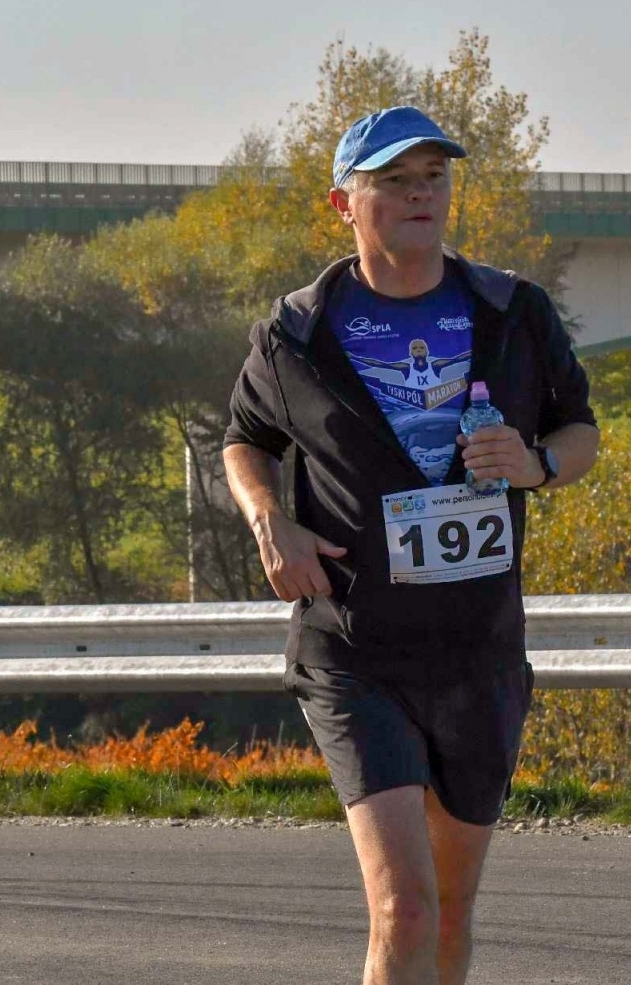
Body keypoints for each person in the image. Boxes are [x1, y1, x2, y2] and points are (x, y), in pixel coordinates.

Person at [222, 105, 600, 985]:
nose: (419, 195)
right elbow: (244, 438)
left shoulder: (512, 311)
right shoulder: (298, 333)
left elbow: (580, 429)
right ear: (342, 204)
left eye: (433, 178)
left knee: (453, 912)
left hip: (480, 652)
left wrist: (537, 464)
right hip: (357, 651)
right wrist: (268, 520)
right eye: (393, 181)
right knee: (406, 906)